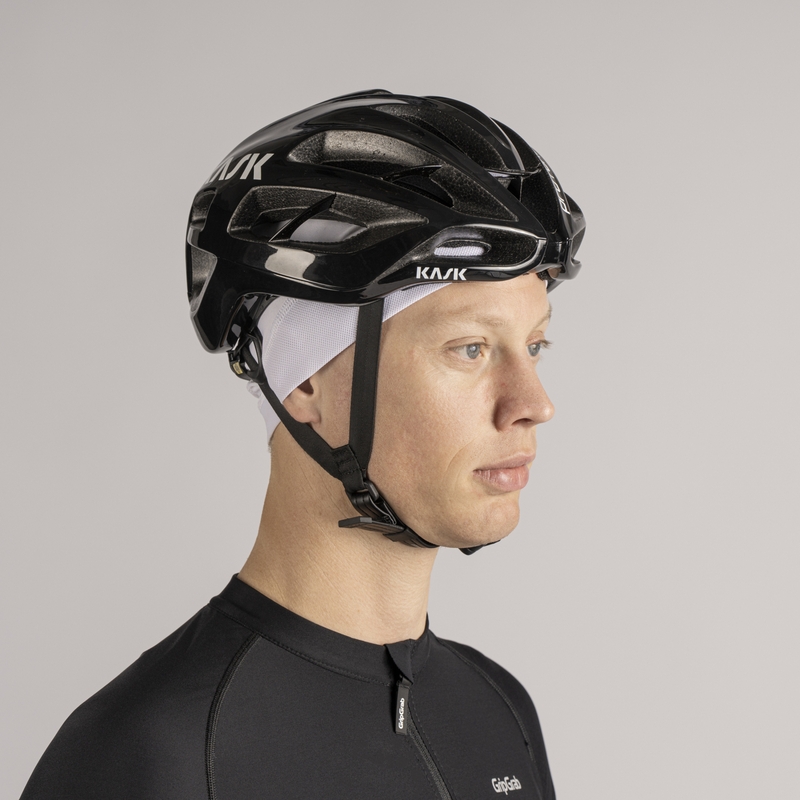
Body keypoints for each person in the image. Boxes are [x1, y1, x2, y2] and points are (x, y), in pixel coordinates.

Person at [20, 90, 585, 800]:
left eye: (534, 345)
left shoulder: (497, 709)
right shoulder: (155, 752)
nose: (533, 404)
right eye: (469, 348)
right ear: (306, 381)